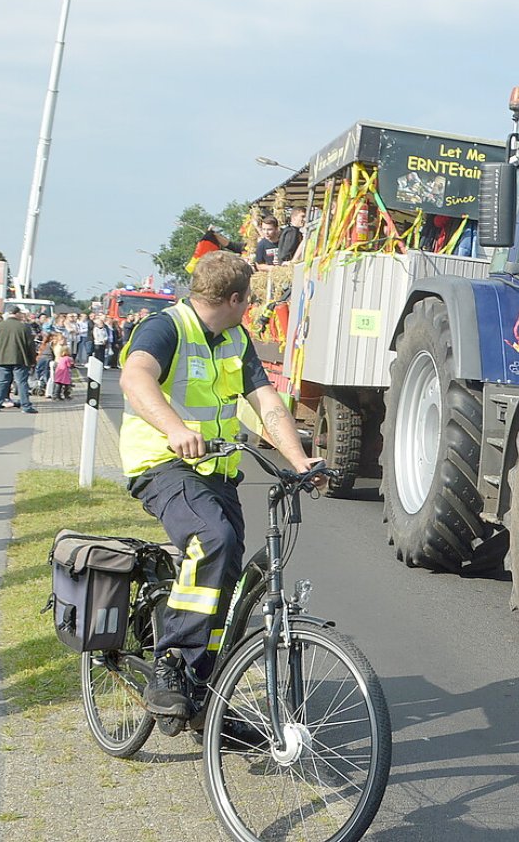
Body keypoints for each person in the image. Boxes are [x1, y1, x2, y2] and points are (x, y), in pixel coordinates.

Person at [118, 251, 320, 720]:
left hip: (219, 471)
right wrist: (174, 429)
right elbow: (135, 377)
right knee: (214, 540)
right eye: (248, 299)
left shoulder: (235, 338)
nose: (250, 307)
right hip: (163, 463)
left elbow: (266, 402)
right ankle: (171, 662)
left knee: (228, 568)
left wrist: (300, 460)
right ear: (234, 298)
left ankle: (200, 682)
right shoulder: (165, 327)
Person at [0, 307, 37, 413]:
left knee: (2, 382)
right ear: (17, 314)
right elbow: (30, 345)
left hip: (2, 358)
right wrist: (32, 360)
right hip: (20, 358)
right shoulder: (24, 327)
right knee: (21, 382)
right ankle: (25, 406)